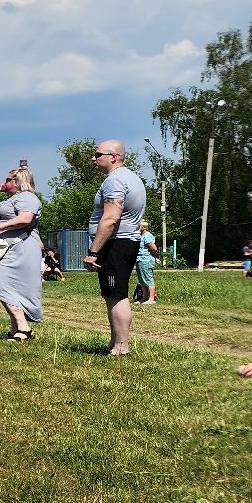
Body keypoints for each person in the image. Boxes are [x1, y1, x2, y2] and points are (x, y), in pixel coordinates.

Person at [82, 140, 147, 356]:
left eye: (97, 154)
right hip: (125, 242)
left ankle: (121, 346)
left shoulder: (115, 180)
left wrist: (93, 252)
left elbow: (110, 218)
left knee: (117, 294)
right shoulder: (130, 177)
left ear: (113, 157)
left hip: (116, 243)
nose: (93, 158)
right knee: (112, 294)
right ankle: (115, 342)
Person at [0, 168, 42, 340]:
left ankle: (24, 328)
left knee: (3, 284)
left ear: (17, 181)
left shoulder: (28, 197)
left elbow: (25, 219)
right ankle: (16, 329)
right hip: (4, 248)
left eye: (7, 180)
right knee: (4, 285)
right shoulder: (9, 200)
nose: (3, 183)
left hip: (21, 247)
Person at [136, 219, 160, 305]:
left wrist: (155, 257)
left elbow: (154, 248)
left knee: (148, 279)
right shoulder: (141, 235)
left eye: (139, 225)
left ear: (144, 227)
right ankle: (144, 298)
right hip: (140, 260)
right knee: (142, 280)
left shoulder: (147, 235)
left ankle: (151, 299)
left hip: (146, 260)